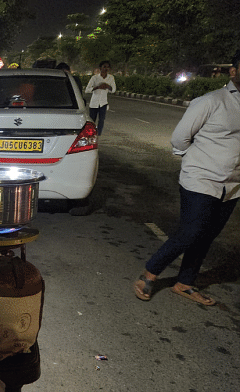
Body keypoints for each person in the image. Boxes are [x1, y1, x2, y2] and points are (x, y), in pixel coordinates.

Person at [133, 50, 240, 306]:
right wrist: (198, 162)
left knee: (207, 235)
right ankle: (149, 273)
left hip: (233, 186)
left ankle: (185, 282)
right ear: (233, 71)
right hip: (201, 179)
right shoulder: (211, 101)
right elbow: (180, 138)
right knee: (190, 232)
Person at [84, 60, 116, 135]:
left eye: (108, 67)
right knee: (92, 120)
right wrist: (97, 87)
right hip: (94, 102)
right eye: (104, 66)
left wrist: (107, 86)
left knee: (101, 120)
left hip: (103, 103)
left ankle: (98, 134)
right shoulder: (94, 78)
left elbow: (113, 90)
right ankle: (90, 134)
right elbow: (87, 90)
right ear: (100, 68)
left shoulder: (111, 78)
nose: (106, 68)